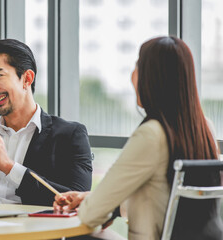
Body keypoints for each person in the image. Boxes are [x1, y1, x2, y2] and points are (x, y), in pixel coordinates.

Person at [54, 36, 223, 239]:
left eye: (137, 66)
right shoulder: (204, 128)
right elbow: (166, 200)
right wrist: (97, 200)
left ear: (151, 78)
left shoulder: (151, 134)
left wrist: (94, 203)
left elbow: (90, 215)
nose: (133, 75)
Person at [0, 39, 93, 206]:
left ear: (27, 78)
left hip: (32, 230)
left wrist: (9, 167)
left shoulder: (69, 135)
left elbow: (75, 201)